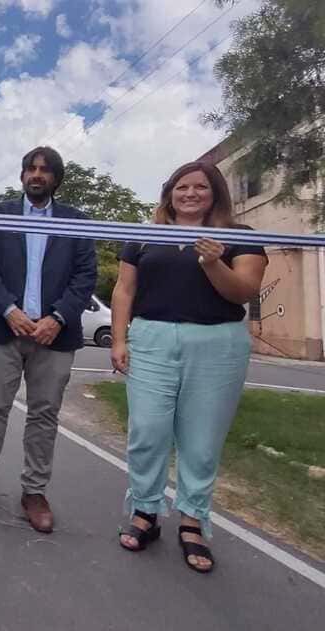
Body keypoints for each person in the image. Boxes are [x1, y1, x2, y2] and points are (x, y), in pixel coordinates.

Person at [110, 161, 267, 573]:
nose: (191, 193)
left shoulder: (240, 238)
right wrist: (121, 339)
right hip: (152, 339)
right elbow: (125, 288)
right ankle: (145, 511)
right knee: (147, 430)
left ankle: (193, 520)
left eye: (200, 187)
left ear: (215, 193)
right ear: (170, 193)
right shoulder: (144, 236)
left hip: (217, 346)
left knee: (201, 439)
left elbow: (244, 292)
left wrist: (214, 263)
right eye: (182, 187)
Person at [0, 146, 97, 534]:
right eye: (31, 169)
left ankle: (34, 491)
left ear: (55, 179)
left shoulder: (76, 222)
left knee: (44, 415)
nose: (37, 175)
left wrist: (59, 317)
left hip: (55, 335)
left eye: (45, 171)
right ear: (21, 176)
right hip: (4, 329)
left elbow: (85, 277)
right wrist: (8, 310)